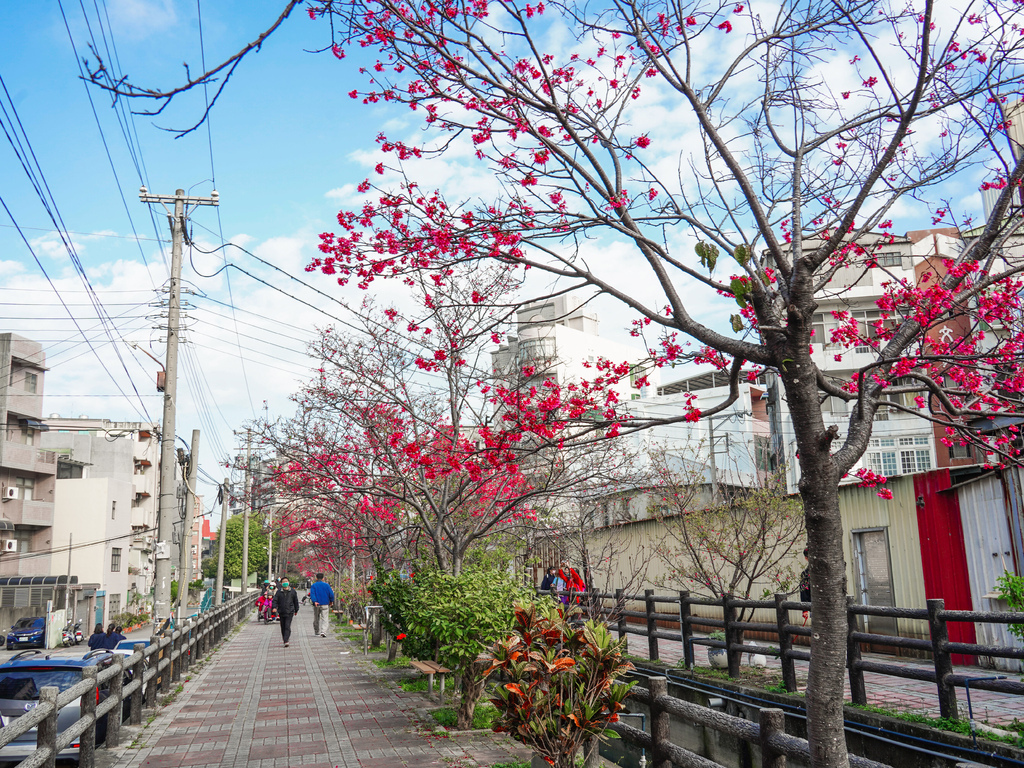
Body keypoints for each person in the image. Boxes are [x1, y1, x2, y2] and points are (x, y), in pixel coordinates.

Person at [273, 578, 300, 647]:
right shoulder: (279, 592)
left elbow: (295, 601)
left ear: (288, 582)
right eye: (283, 582)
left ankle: (286, 640)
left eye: (286, 581)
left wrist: (296, 610)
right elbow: (275, 600)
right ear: (281, 583)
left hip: (290, 611)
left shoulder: (293, 591)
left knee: (287, 626)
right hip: (281, 611)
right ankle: (284, 638)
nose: (285, 583)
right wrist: (274, 607)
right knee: (283, 626)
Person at [308, 573, 335, 638]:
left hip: (317, 604)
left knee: (316, 618)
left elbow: (312, 594)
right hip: (325, 603)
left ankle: (317, 631)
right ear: (323, 578)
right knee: (325, 618)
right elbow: (331, 594)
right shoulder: (327, 585)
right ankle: (323, 631)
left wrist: (315, 601)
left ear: (316, 578)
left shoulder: (314, 585)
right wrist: (331, 601)